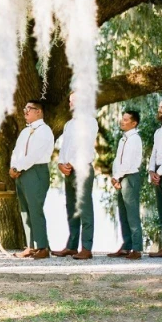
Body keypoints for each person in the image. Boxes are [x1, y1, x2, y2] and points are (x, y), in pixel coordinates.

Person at [52, 93, 98, 260]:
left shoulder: (90, 122)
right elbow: (65, 147)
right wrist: (60, 163)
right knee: (71, 208)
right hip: (68, 171)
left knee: (84, 209)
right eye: (70, 100)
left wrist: (70, 162)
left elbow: (85, 146)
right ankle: (71, 246)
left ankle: (86, 247)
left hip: (82, 169)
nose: (70, 103)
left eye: (75, 100)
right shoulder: (69, 124)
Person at [10, 100, 55, 260]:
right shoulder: (25, 132)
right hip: (21, 172)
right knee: (24, 210)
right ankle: (31, 246)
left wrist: (18, 167)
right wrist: (13, 166)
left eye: (30, 109)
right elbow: (16, 151)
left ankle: (43, 247)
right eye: (25, 108)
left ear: (39, 111)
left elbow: (34, 154)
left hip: (36, 171)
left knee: (35, 209)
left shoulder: (44, 131)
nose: (26, 112)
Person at [108, 110, 144, 260]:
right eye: (122, 119)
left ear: (134, 123)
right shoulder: (123, 139)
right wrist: (115, 177)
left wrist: (117, 176)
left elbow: (128, 162)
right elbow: (118, 160)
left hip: (130, 177)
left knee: (132, 213)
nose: (121, 121)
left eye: (125, 119)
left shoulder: (134, 139)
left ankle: (136, 248)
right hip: (121, 177)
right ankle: (126, 245)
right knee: (123, 213)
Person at [149, 99, 162, 258]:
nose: (159, 109)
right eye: (159, 107)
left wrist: (158, 173)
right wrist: (151, 171)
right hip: (158, 174)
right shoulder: (159, 131)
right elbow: (154, 153)